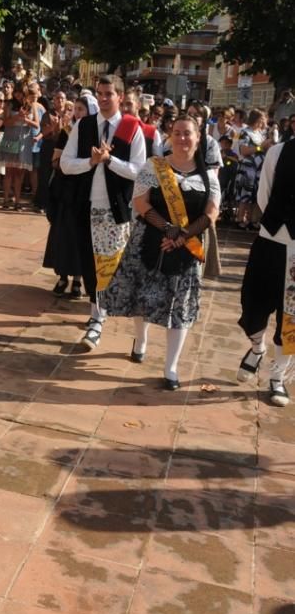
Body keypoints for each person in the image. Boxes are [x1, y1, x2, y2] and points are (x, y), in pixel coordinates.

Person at [103, 115, 219, 390]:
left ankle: (171, 366)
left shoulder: (208, 176)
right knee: (142, 296)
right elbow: (140, 203)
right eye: (177, 133)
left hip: (187, 248)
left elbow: (211, 214)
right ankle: (140, 339)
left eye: (187, 133)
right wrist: (169, 230)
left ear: (198, 137)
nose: (182, 138)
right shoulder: (154, 166)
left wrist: (181, 236)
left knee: (179, 307)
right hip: (149, 240)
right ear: (169, 136)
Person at [60, 74, 147, 350]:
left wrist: (110, 161)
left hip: (116, 209)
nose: (104, 98)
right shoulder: (84, 125)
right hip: (86, 206)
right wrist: (91, 161)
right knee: (89, 263)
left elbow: (139, 171)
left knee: (111, 266)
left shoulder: (131, 128)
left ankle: (109, 320)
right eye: (100, 93)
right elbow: (65, 163)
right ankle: (97, 315)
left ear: (120, 96)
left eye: (109, 93)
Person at [236, 134, 295, 406]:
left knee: (291, 319)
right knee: (252, 305)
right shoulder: (279, 152)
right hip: (270, 240)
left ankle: (278, 376)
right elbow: (264, 195)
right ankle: (257, 348)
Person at [43, 95, 93, 299]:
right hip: (66, 190)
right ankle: (62, 276)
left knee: (82, 235)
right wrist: (68, 163)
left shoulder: (95, 133)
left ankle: (78, 280)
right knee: (63, 234)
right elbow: (55, 160)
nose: (79, 113)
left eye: (83, 109)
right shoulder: (67, 131)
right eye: (77, 109)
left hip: (86, 191)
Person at [235, 108, 268, 229]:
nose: (262, 122)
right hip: (248, 168)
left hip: (259, 168)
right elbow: (243, 151)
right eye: (261, 120)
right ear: (255, 119)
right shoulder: (245, 132)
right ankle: (240, 218)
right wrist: (260, 148)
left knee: (256, 194)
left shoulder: (261, 133)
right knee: (245, 194)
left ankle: (252, 219)